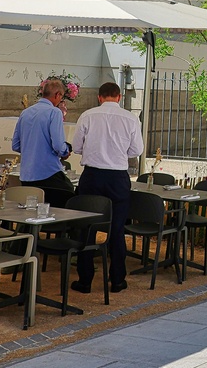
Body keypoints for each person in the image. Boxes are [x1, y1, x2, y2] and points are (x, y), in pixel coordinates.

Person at [71, 82, 144, 294]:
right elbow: (136, 150)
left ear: (99, 97)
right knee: (117, 229)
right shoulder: (130, 118)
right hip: (117, 177)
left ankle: (85, 281)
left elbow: (76, 147)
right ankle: (117, 280)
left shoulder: (87, 115)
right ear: (119, 97)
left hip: (92, 176)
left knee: (87, 228)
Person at [11, 78, 74, 194]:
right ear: (57, 94)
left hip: (26, 175)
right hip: (47, 173)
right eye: (61, 97)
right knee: (70, 193)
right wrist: (66, 151)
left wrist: (32, 149)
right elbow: (58, 146)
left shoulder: (25, 113)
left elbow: (15, 145)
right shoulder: (54, 112)